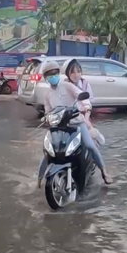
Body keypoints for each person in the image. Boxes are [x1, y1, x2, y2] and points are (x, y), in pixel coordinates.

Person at [37, 60, 113, 188]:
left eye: (55, 73)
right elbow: (47, 112)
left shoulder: (67, 86)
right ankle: (39, 180)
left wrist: (86, 107)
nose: (53, 76)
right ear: (45, 78)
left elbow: (83, 98)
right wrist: (46, 118)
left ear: (59, 73)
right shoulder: (48, 94)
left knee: (90, 145)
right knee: (48, 151)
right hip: (59, 127)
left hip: (77, 123)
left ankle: (104, 172)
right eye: (50, 75)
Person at [63, 59, 105, 145]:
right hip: (68, 117)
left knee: (89, 141)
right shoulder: (64, 85)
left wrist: (86, 118)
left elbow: (89, 102)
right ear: (67, 73)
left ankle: (96, 137)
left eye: (78, 72)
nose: (76, 75)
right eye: (72, 72)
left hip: (82, 116)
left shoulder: (85, 84)